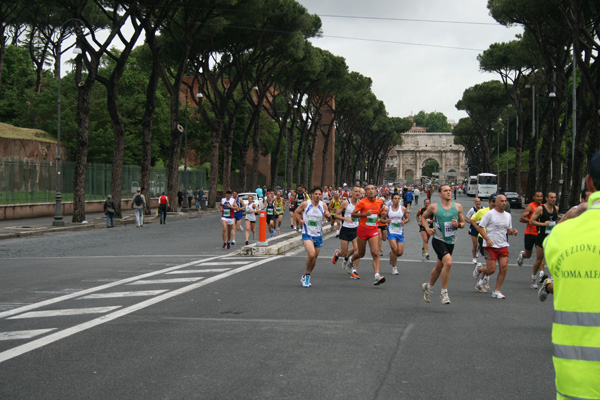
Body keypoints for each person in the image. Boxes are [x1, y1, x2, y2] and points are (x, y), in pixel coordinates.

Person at [543, 149, 600, 399]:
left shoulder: (562, 235)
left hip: (576, 381)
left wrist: (571, 218)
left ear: (589, 181)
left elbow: (558, 277)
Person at [420, 184, 465, 304]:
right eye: (445, 191)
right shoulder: (434, 207)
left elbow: (463, 223)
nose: (448, 192)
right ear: (440, 194)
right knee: (448, 263)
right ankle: (444, 293)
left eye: (450, 190)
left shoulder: (458, 207)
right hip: (438, 240)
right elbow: (423, 218)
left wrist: (458, 225)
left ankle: (428, 287)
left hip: (451, 241)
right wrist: (428, 229)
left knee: (440, 267)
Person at [473, 194, 518, 299]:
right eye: (501, 201)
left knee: (504, 268)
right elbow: (480, 228)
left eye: (505, 201)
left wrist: (513, 232)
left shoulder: (508, 215)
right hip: (490, 245)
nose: (504, 203)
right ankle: (480, 268)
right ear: (496, 202)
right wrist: (487, 239)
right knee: (491, 270)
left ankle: (497, 291)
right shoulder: (490, 214)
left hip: (502, 244)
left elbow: (507, 230)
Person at [350, 184, 388, 285]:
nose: (371, 191)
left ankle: (377, 276)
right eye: (368, 190)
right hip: (362, 230)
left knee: (375, 253)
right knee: (361, 254)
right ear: (366, 192)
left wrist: (382, 214)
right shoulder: (362, 202)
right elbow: (353, 214)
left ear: (376, 191)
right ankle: (351, 259)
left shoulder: (379, 202)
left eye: (372, 189)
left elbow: (377, 212)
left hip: (373, 230)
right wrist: (364, 214)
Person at [295, 187, 332, 287]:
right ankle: (307, 276)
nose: (317, 196)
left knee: (314, 259)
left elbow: (328, 218)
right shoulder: (306, 204)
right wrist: (300, 220)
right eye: (316, 194)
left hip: (318, 234)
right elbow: (296, 212)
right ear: (312, 194)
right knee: (311, 254)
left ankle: (306, 274)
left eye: (319, 194)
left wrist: (329, 216)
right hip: (307, 233)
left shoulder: (323, 205)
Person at [331, 185, 361, 279]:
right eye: (355, 191)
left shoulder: (361, 203)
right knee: (344, 252)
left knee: (358, 251)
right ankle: (337, 253)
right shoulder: (345, 203)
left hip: (355, 229)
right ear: (351, 192)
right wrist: (345, 218)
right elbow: (336, 215)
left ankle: (354, 270)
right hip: (345, 229)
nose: (357, 193)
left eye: (359, 192)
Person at [516, 191, 543, 269]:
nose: (539, 198)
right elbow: (522, 218)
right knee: (528, 255)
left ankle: (541, 274)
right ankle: (522, 255)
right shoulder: (530, 206)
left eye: (541, 196)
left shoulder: (543, 207)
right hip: (530, 233)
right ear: (534, 197)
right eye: (537, 196)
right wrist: (532, 221)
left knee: (541, 256)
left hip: (539, 234)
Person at [386, 192, 409, 275]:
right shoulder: (388, 209)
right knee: (395, 249)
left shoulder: (403, 209)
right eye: (395, 198)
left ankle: (391, 255)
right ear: (392, 200)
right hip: (391, 232)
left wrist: (404, 222)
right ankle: (394, 268)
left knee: (399, 253)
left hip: (400, 232)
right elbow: (381, 219)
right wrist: (386, 221)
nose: (397, 200)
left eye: (398, 198)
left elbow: (407, 218)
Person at [465, 197, 482, 265]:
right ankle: (474, 258)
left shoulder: (483, 209)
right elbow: (466, 218)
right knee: (475, 244)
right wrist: (472, 222)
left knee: (481, 243)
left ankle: (478, 250)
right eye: (477, 201)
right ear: (474, 202)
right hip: (473, 228)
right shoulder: (472, 210)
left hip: (481, 228)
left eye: (479, 201)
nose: (478, 203)